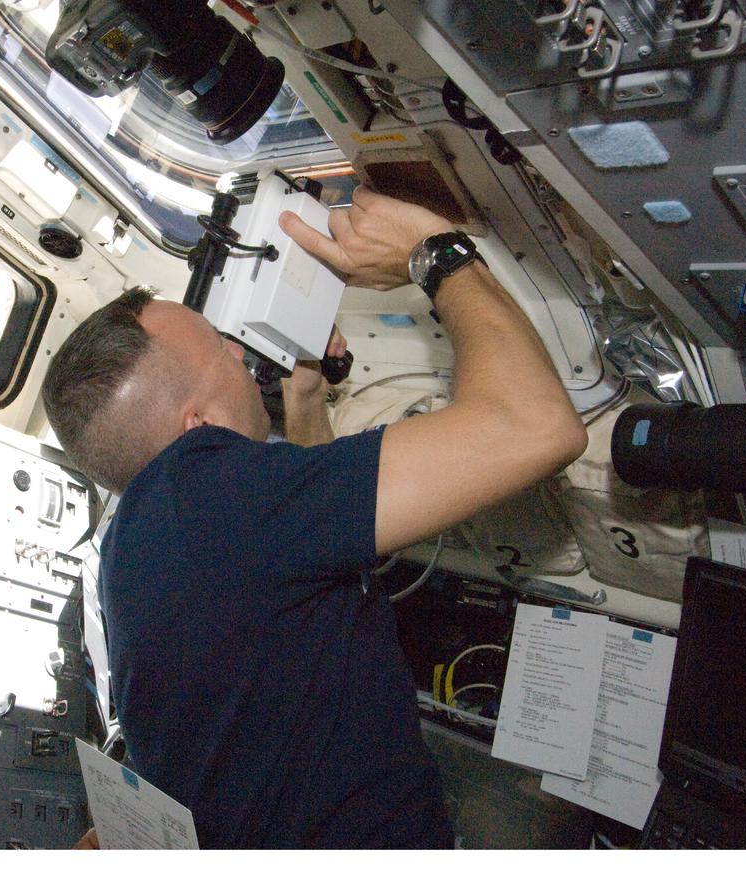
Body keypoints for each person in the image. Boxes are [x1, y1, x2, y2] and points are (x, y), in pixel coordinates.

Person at [43, 188, 588, 848]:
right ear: (198, 427)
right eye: (223, 350)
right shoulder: (213, 494)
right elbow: (534, 426)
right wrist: (436, 254)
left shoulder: (141, 544)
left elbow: (294, 560)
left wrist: (306, 400)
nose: (244, 359)